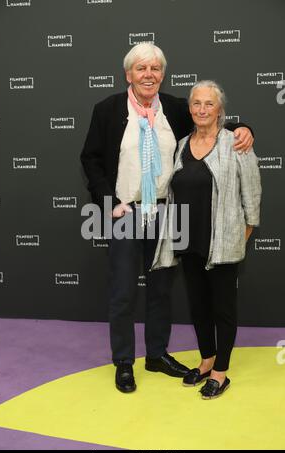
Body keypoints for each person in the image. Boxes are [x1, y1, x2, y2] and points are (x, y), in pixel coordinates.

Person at [80, 44, 254, 393]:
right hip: (125, 212)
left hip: (167, 211)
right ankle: (124, 362)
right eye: (141, 68)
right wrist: (108, 201)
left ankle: (157, 355)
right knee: (124, 291)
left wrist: (244, 128)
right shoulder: (107, 110)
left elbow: (211, 120)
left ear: (162, 74)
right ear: (128, 74)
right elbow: (91, 159)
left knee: (161, 289)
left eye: (156, 68)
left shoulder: (175, 107)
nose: (149, 74)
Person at [152, 80, 261, 399]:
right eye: (196, 103)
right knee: (198, 306)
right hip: (188, 239)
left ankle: (221, 371)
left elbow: (251, 193)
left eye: (209, 104)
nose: (202, 109)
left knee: (223, 308)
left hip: (223, 242)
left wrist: (244, 233)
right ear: (190, 108)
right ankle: (206, 359)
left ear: (219, 109)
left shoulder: (236, 143)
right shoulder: (182, 143)